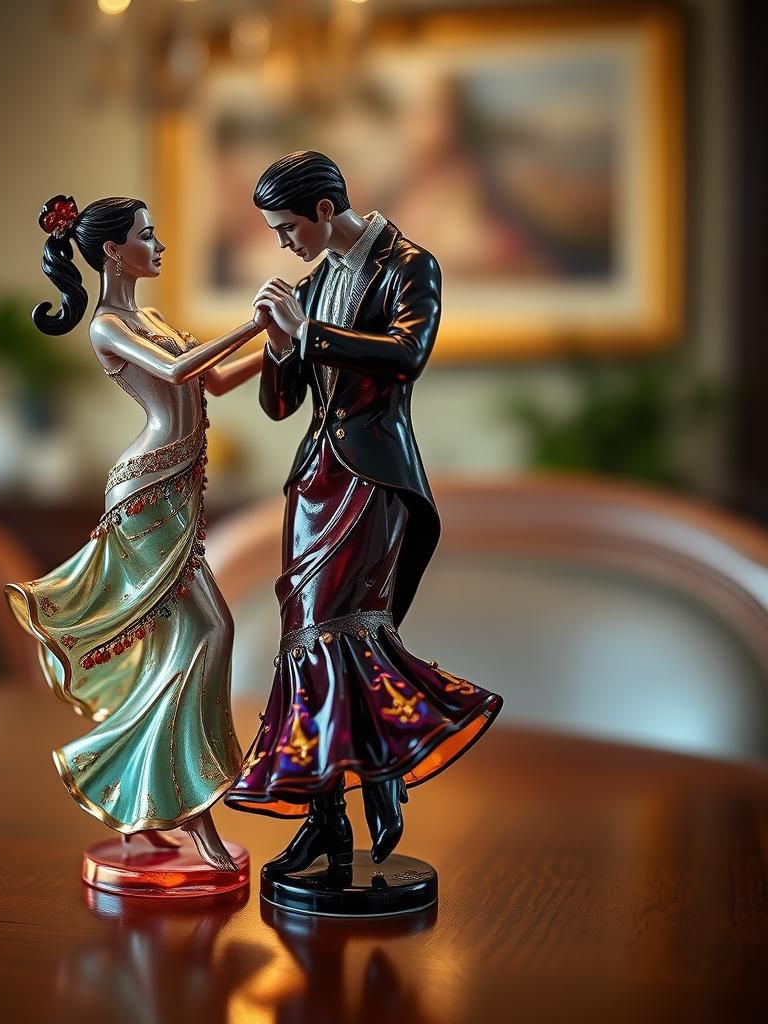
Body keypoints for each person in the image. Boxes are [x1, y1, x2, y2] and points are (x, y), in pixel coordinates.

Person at [225, 152, 503, 875]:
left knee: (341, 630)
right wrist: (280, 344)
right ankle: (337, 810)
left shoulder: (410, 265)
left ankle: (373, 780)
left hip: (373, 475)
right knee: (305, 638)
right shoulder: (313, 282)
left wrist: (309, 333)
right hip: (313, 477)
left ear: (323, 210)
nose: (283, 243)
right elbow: (284, 405)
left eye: (287, 227)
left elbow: (406, 354)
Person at [6, 195, 265, 872]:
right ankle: (193, 811)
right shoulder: (107, 326)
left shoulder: (149, 316)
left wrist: (277, 345)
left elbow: (209, 381)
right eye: (148, 236)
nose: (160, 246)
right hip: (146, 491)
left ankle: (144, 796)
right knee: (208, 633)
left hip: (178, 486)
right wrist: (253, 321)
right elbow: (178, 372)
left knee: (179, 645)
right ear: (114, 252)